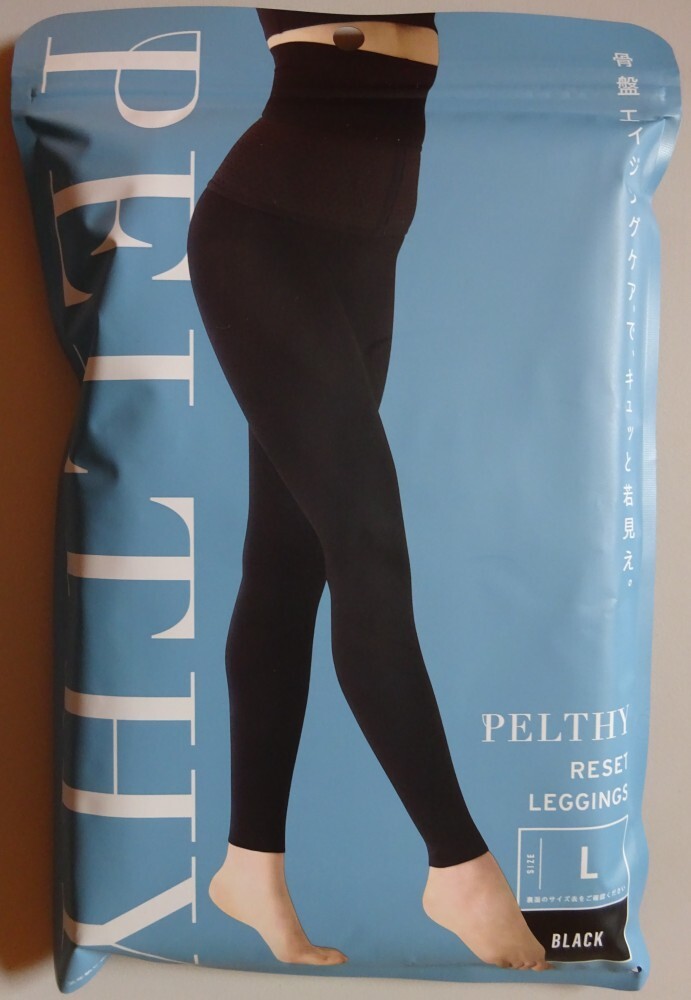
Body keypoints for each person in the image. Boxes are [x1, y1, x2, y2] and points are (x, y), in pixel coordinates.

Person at [186, 8, 553, 973]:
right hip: (264, 236)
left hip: (363, 255)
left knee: (289, 560)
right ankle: (458, 863)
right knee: (365, 544)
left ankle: (249, 866)